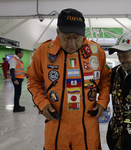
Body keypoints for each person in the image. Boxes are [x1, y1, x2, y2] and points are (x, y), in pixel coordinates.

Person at [25, 8, 111, 150]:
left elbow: (105, 79)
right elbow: (33, 79)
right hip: (56, 123)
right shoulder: (44, 51)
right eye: (67, 37)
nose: (72, 43)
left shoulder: (96, 52)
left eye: (77, 38)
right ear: (58, 32)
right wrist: (42, 103)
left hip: (88, 125)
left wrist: (102, 102)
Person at [9, 48, 25, 112]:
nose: (23, 54)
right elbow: (12, 70)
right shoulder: (14, 60)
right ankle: (16, 107)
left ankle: (17, 105)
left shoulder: (18, 60)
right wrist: (14, 79)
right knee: (17, 93)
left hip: (19, 78)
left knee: (18, 92)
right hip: (17, 79)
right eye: (22, 53)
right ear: (18, 53)